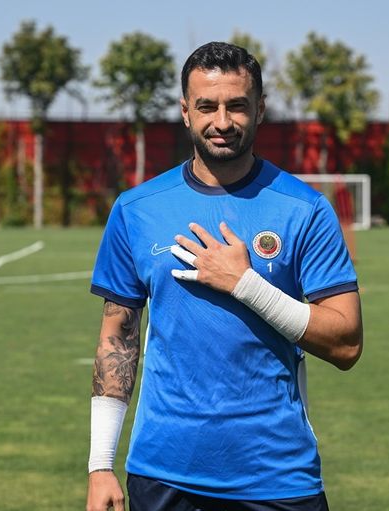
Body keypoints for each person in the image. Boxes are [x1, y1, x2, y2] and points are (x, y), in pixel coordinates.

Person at [86, 41, 363, 511]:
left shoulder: (306, 209)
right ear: (185, 112)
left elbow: (346, 344)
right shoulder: (136, 210)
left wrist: (246, 285)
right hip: (163, 473)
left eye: (237, 105)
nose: (222, 121)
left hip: (277, 475)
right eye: (206, 106)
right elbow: (117, 339)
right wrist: (100, 464)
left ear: (260, 109)